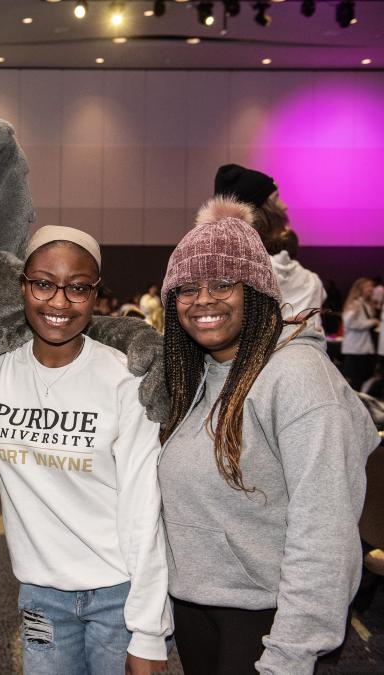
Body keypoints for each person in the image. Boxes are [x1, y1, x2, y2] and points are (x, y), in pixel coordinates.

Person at [158, 197, 378, 674]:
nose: (203, 300)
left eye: (222, 283)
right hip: (197, 611)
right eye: (187, 288)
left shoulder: (298, 377)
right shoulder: (197, 374)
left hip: (268, 624)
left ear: (256, 291)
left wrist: (291, 654)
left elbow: (325, 530)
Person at [0, 226, 171, 674]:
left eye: (78, 288)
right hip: (40, 596)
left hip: (117, 595)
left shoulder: (125, 379)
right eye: (44, 283)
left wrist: (148, 631)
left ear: (95, 294)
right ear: (24, 287)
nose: (59, 302)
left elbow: (144, 507)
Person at [214, 163, 326, 330]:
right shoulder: (305, 279)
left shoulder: (224, 265)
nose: (284, 205)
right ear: (258, 212)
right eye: (275, 198)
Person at [341, 277, 380, 389]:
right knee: (355, 380)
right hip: (356, 348)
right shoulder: (355, 303)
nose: (371, 289)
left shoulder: (367, 304)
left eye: (372, 286)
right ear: (360, 288)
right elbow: (349, 323)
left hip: (365, 348)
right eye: (368, 286)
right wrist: (372, 322)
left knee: (364, 377)